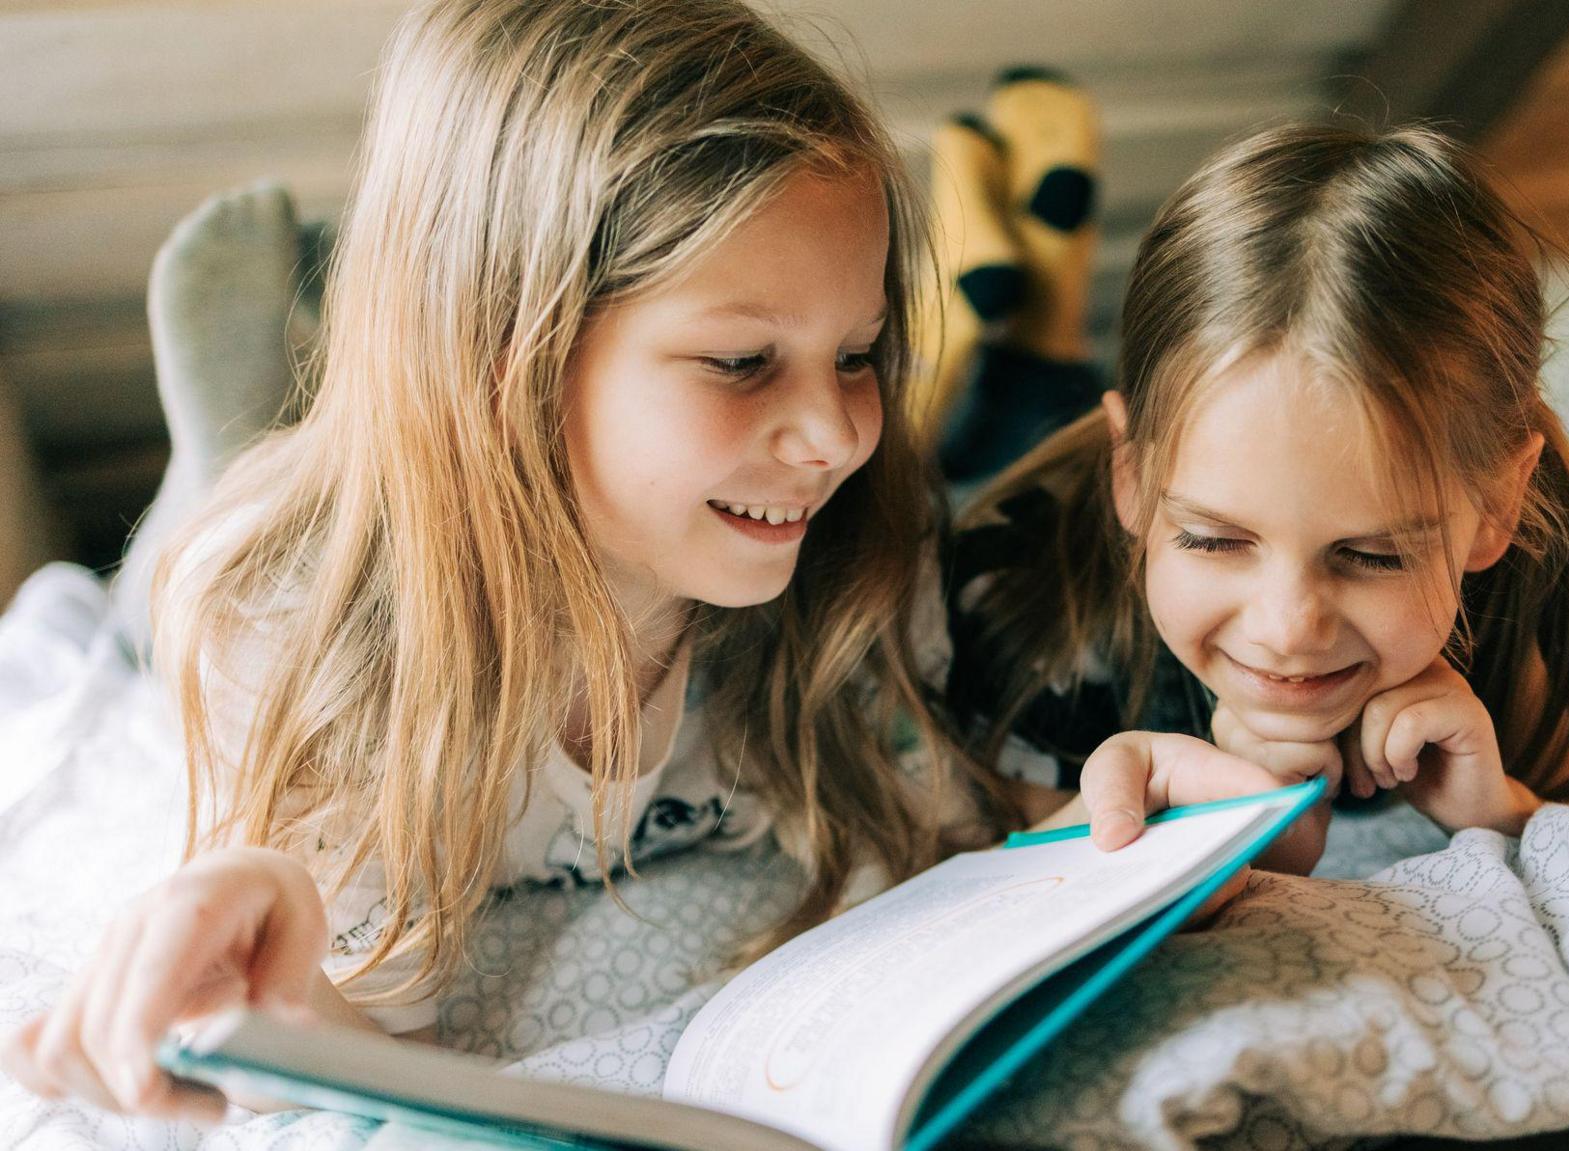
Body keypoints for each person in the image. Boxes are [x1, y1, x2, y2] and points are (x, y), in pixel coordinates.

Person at [2, 0, 1035, 1121]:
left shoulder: (854, 548)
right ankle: (225, 437)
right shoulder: (298, 635)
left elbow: (971, 823)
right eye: (742, 361)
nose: (834, 435)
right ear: (506, 351)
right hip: (277, 539)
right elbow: (368, 1047)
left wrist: (1130, 795)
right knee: (169, 574)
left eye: (858, 353)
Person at [944, 122, 1569, 871]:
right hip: (1032, 489)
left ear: (1499, 506)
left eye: (1373, 555)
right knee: (998, 413)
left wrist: (1500, 812)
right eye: (1214, 540)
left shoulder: (1511, 588)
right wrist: (1228, 845)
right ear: (1133, 476)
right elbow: (1010, 888)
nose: (1288, 631)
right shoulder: (1034, 610)